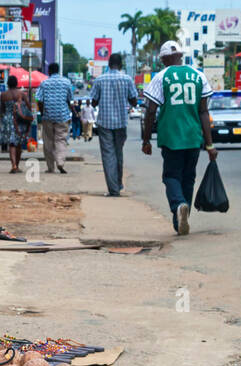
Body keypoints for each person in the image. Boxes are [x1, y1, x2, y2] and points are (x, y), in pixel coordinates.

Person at [141, 41, 217, 235]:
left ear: (165, 58)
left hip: (171, 137)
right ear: (180, 56)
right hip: (193, 137)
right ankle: (182, 218)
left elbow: (151, 111)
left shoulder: (161, 77)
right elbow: (203, 112)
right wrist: (209, 145)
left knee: (171, 176)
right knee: (188, 178)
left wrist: (147, 139)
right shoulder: (198, 76)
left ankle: (179, 205)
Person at [91, 52, 138, 197]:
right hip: (121, 122)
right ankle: (117, 184)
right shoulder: (127, 79)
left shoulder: (99, 80)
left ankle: (114, 188)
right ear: (121, 65)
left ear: (109, 64)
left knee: (108, 155)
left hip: (104, 122)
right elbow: (134, 101)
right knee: (118, 153)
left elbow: (93, 101)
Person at [35, 62, 74, 174]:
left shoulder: (44, 83)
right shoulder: (66, 82)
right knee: (61, 140)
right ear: (58, 70)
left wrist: (42, 112)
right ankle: (60, 162)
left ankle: (51, 167)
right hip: (62, 116)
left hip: (48, 116)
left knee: (48, 142)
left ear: (49, 71)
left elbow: (38, 99)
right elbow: (70, 99)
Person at [0, 74, 33, 173]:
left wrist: (1, 121)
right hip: (19, 120)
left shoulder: (3, 95)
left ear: (8, 83)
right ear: (17, 83)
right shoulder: (21, 94)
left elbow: (2, 110)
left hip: (8, 120)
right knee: (18, 144)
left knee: (12, 144)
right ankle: (16, 165)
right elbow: (28, 107)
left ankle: (13, 165)